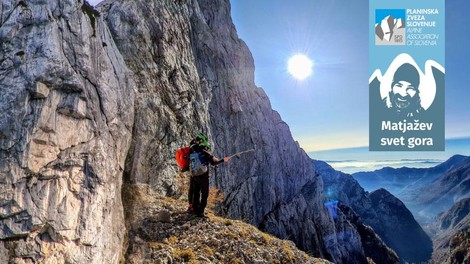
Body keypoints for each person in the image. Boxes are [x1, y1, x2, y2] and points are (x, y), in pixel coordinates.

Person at [187, 133, 230, 217]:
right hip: (203, 176)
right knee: (204, 194)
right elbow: (214, 162)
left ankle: (194, 209)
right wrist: (223, 160)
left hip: (194, 175)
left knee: (196, 192)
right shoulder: (204, 151)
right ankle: (200, 212)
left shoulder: (192, 148)